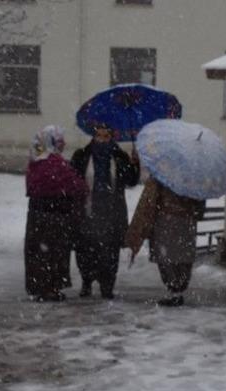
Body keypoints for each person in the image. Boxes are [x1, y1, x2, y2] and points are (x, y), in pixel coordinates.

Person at [71, 125, 140, 300]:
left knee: (109, 252)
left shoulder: (119, 157)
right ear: (93, 136)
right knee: (85, 249)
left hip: (112, 213)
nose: (102, 139)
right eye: (99, 135)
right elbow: (72, 179)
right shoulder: (82, 155)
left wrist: (135, 164)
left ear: (112, 137)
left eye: (106, 135)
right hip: (88, 211)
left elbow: (131, 181)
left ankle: (107, 286)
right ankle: (87, 281)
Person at [25, 126, 88, 302]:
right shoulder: (56, 163)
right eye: (60, 141)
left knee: (38, 254)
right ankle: (51, 288)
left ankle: (38, 287)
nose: (64, 144)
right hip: (56, 217)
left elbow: (31, 188)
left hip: (36, 215)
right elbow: (78, 187)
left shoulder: (35, 162)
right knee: (55, 254)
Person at [126, 177, 205, 307]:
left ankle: (175, 290)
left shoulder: (161, 174)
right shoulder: (194, 177)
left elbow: (150, 200)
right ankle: (178, 289)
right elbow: (200, 206)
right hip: (186, 223)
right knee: (182, 258)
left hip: (166, 222)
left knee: (167, 258)